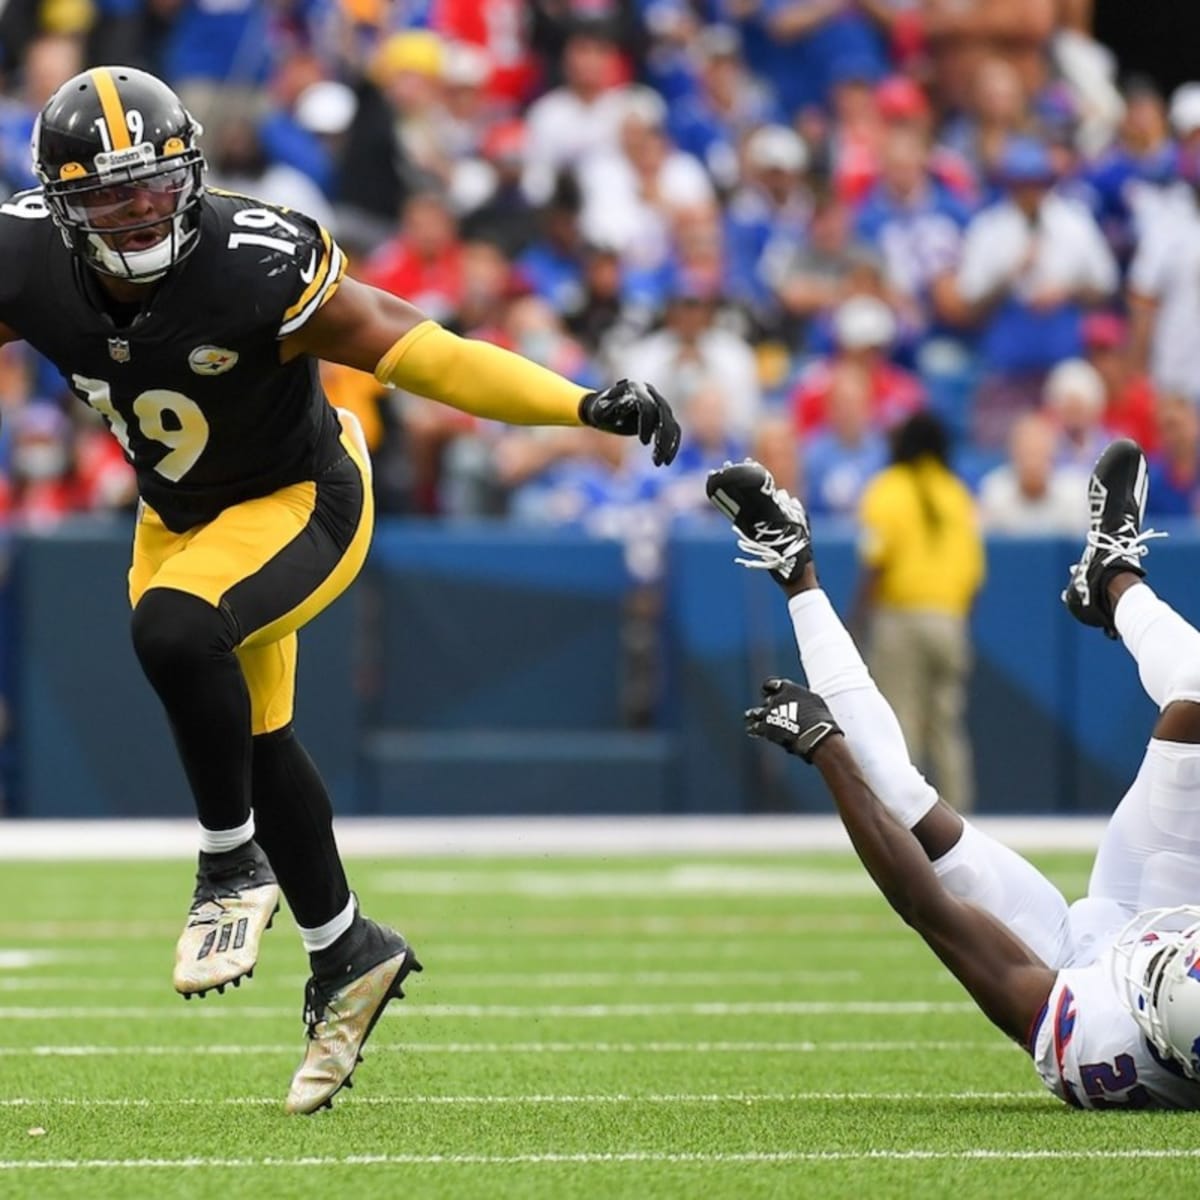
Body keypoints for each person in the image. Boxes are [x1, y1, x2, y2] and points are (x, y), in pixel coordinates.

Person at [5, 67, 680, 1114]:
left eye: (154, 184)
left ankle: (229, 867)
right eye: (109, 194)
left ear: (192, 174)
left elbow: (424, 352)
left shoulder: (255, 262)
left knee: (176, 634)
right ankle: (347, 951)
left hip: (303, 497)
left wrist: (580, 401)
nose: (139, 210)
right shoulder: (23, 260)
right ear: (60, 207)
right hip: (177, 513)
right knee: (256, 740)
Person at [705, 441, 1200, 1109]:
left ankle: (795, 569)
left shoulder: (1097, 1044)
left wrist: (827, 750)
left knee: (897, 794)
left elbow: (928, 909)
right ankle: (1112, 577)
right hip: (1168, 895)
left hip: (1071, 968)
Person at [854, 412, 984, 811]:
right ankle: (959, 819)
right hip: (949, 619)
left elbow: (878, 561)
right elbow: (975, 571)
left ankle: (903, 818)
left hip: (900, 617)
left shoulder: (887, 490)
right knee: (946, 725)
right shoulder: (956, 493)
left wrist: (857, 615)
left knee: (899, 722)